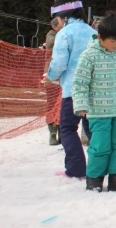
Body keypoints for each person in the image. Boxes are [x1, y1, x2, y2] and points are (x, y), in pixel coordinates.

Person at [71, 13, 116, 192]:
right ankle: (95, 178)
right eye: (112, 41)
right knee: (100, 144)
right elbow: (80, 82)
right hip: (98, 111)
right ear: (100, 37)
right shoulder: (89, 55)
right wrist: (81, 104)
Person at [45, 0, 96, 179]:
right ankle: (100, 165)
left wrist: (49, 77)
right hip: (94, 89)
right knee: (92, 128)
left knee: (67, 127)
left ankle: (76, 169)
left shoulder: (64, 34)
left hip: (73, 90)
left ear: (63, 17)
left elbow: (59, 63)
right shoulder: (92, 32)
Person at [43, 17, 65, 146]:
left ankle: (62, 131)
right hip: (51, 76)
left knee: (63, 105)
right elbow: (51, 43)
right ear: (55, 27)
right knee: (51, 104)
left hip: (63, 76)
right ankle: (52, 133)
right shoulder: (51, 35)